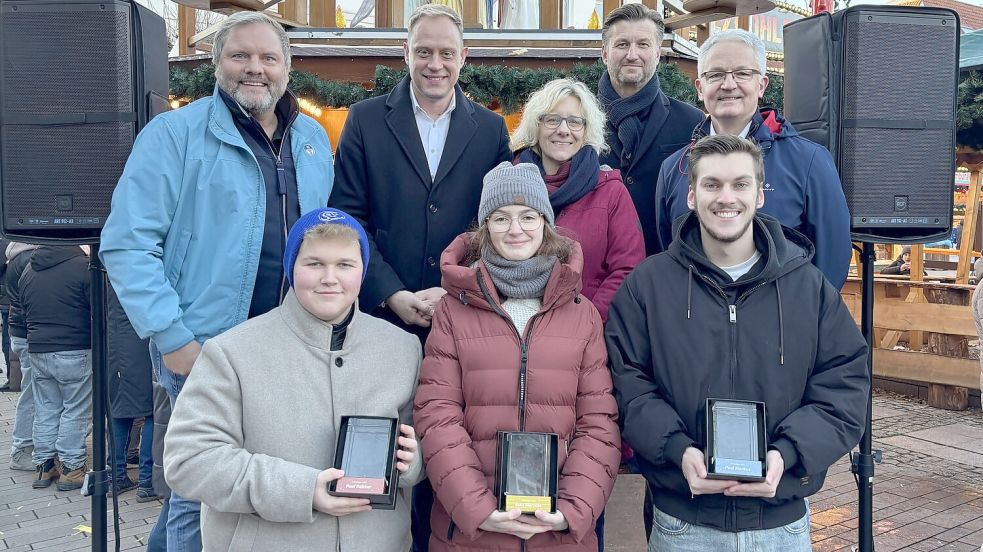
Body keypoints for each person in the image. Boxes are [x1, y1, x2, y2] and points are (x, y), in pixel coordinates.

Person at [100, 11, 334, 551]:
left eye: (268, 58)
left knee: (232, 485)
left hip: (285, 347)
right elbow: (127, 242)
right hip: (204, 347)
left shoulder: (313, 140)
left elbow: (323, 239)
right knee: (198, 494)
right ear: (216, 63)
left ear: (288, 68)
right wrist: (173, 338)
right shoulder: (174, 134)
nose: (255, 69)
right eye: (240, 56)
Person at [606, 135, 870, 551]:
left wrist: (787, 453)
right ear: (691, 196)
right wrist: (677, 449)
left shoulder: (809, 288)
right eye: (712, 185)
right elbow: (627, 384)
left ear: (760, 194)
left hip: (780, 527)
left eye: (740, 184)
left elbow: (845, 386)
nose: (725, 197)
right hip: (683, 523)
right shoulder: (648, 286)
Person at [329, 5, 510, 549]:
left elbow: (493, 226)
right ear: (405, 53)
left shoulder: (491, 129)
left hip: (464, 318)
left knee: (451, 448)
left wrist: (455, 286)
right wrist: (394, 292)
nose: (435, 63)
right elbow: (350, 217)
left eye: (446, 53)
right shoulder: (364, 119)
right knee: (384, 452)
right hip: (384, 317)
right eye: (424, 51)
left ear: (464, 58)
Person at [164, 208, 423, 551]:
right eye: (314, 264)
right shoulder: (231, 352)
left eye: (345, 265)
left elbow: (422, 447)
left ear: (362, 271)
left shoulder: (403, 349)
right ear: (291, 268)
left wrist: (412, 462)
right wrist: (302, 490)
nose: (329, 277)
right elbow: (189, 460)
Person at [414, 162, 621, 551]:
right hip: (473, 534)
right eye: (501, 218)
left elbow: (599, 422)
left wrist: (572, 509)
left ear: (545, 222)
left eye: (528, 216)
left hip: (557, 534)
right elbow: (437, 414)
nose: (515, 229)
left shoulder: (581, 314)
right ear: (484, 226)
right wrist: (476, 509)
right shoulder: (454, 310)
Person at [654, 29, 852, 289]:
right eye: (715, 75)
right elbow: (664, 251)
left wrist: (803, 320)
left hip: (781, 323)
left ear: (761, 85)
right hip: (695, 324)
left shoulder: (809, 162)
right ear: (700, 88)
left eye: (742, 73)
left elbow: (832, 260)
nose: (728, 84)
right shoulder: (673, 169)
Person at [511, 78, 644, 322]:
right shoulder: (509, 186)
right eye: (552, 119)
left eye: (574, 122)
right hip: (515, 331)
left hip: (587, 333)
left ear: (586, 130)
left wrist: (585, 321)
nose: (563, 130)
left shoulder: (610, 191)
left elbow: (627, 269)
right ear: (536, 125)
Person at [597, 3, 705, 255]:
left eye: (643, 45)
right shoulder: (577, 120)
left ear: (657, 53)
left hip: (667, 264)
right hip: (594, 273)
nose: (632, 54)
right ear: (604, 53)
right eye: (622, 44)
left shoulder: (691, 122)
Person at [20, 246, 92, 491]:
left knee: (46, 408)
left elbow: (22, 309)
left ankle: (44, 465)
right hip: (75, 347)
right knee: (75, 409)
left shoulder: (29, 270)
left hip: (38, 348)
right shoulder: (83, 267)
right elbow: (98, 309)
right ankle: (71, 468)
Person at [107, 286, 155, 499]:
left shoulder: (108, 273)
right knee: (153, 411)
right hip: (142, 347)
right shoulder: (142, 272)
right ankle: (148, 480)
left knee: (119, 410)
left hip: (114, 348)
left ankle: (116, 476)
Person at [5, 242, 39, 471]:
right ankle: (21, 448)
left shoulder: (15, 258)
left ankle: (27, 444)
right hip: (30, 332)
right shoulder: (28, 260)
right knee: (31, 391)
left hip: (21, 330)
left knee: (33, 389)